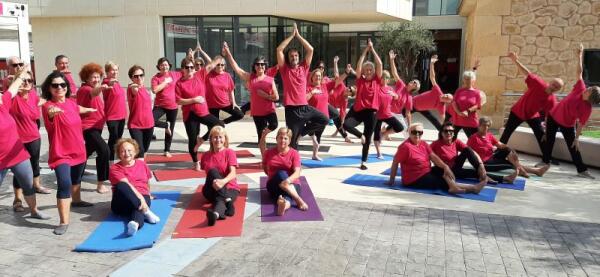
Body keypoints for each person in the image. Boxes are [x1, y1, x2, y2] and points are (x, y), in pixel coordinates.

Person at [41, 71, 97, 235]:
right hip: (61, 154)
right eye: (55, 85)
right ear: (49, 88)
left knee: (76, 179)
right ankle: (63, 222)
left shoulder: (72, 103)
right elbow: (50, 112)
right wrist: (53, 112)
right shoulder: (48, 106)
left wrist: (89, 109)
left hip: (79, 150)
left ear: (67, 87)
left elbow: (77, 108)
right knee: (64, 184)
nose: (59, 88)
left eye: (62, 85)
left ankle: (77, 200)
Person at [542, 44, 600, 179]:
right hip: (553, 116)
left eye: (589, 91)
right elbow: (579, 73)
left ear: (590, 98)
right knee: (549, 140)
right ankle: (545, 161)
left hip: (567, 125)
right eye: (589, 88)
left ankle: (582, 170)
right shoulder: (580, 88)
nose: (587, 89)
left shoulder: (587, 108)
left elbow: (580, 124)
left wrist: (577, 138)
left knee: (573, 146)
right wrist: (579, 56)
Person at [0, 67, 50, 221]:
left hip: (17, 154)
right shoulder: (9, 102)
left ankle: (34, 211)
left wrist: (22, 75)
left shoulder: (4, 104)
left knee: (28, 183)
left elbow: (13, 88)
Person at [387, 123, 484, 194]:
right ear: (409, 132)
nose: (417, 134)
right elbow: (395, 163)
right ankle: (473, 188)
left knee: (442, 170)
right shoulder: (405, 147)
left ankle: (453, 186)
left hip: (426, 172)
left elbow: (434, 157)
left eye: (419, 132)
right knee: (441, 182)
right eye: (414, 132)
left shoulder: (423, 144)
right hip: (414, 179)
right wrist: (391, 180)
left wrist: (446, 167)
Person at [499, 52, 561, 162]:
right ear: (550, 82)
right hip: (518, 111)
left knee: (541, 135)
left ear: (558, 90)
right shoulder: (538, 83)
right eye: (554, 84)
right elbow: (527, 73)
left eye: (558, 87)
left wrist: (547, 132)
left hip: (532, 115)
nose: (555, 87)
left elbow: (549, 117)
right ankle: (498, 154)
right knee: (507, 133)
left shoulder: (552, 100)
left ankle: (547, 158)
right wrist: (515, 60)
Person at [276, 23, 328, 149]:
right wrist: (291, 36)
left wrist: (298, 36)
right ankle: (294, 165)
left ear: (299, 57)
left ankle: (302, 133)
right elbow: (279, 50)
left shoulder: (304, 68)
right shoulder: (285, 69)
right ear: (288, 58)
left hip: (304, 107)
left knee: (324, 120)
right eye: (291, 56)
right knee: (292, 143)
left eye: (296, 56)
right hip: (291, 110)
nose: (294, 57)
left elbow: (310, 49)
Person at [222, 42, 279, 143]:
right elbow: (237, 69)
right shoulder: (251, 77)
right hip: (257, 111)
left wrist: (266, 96)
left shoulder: (270, 76)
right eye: (258, 64)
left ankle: (264, 133)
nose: (260, 66)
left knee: (274, 125)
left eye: (262, 64)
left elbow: (276, 97)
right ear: (254, 66)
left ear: (265, 66)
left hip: (268, 109)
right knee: (260, 138)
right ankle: (264, 156)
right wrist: (228, 53)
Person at [176, 54, 224, 171]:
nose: (190, 70)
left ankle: (201, 139)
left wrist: (223, 54)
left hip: (202, 112)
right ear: (182, 69)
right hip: (189, 114)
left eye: (192, 67)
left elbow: (213, 64)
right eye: (187, 67)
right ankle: (195, 161)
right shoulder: (179, 83)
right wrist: (194, 100)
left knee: (219, 125)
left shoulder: (200, 75)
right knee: (192, 139)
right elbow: (178, 100)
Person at [431, 122, 517, 184]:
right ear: (441, 133)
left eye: (451, 131)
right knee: (473, 173)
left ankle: (482, 173)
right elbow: (425, 154)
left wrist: (481, 166)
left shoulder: (456, 141)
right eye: (446, 131)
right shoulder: (436, 144)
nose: (449, 133)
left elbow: (471, 152)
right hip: (447, 170)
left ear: (454, 133)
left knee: (468, 150)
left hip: (456, 164)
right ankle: (505, 178)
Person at [343, 38, 382, 170]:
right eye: (366, 70)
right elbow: (359, 64)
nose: (368, 71)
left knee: (369, 137)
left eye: (371, 69)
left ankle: (363, 161)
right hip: (358, 110)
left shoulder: (377, 80)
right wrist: (365, 50)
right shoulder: (360, 80)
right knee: (346, 125)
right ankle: (361, 136)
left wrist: (373, 50)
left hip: (371, 113)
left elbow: (380, 64)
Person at [109, 138, 160, 236]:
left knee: (137, 210)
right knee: (121, 185)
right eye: (123, 151)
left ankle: (135, 225)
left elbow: (147, 182)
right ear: (119, 154)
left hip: (141, 198)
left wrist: (148, 194)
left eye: (129, 150)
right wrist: (141, 199)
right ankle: (146, 211)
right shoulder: (114, 168)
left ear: (135, 152)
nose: (126, 153)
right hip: (121, 203)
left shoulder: (142, 164)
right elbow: (126, 185)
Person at [469, 117, 549, 178]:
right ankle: (535, 171)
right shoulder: (473, 138)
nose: (486, 128)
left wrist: (512, 151)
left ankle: (523, 170)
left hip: (492, 157)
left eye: (487, 126)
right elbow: (467, 152)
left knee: (507, 149)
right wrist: (477, 165)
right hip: (484, 163)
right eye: (484, 125)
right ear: (479, 126)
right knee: (510, 163)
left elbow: (501, 145)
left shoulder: (489, 135)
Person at [77, 63, 110, 193]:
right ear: (86, 78)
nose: (96, 80)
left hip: (97, 126)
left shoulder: (87, 89)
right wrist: (101, 88)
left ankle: (74, 177)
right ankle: (101, 184)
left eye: (98, 77)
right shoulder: (86, 89)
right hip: (88, 128)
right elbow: (93, 93)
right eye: (93, 77)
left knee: (84, 153)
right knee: (104, 150)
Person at [260, 127, 308, 216]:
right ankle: (298, 200)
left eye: (285, 138)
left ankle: (283, 206)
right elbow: (265, 168)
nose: (283, 140)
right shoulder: (269, 152)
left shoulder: (294, 153)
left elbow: (297, 172)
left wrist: (287, 181)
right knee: (280, 173)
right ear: (276, 139)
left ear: (289, 140)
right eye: (280, 138)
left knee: (286, 198)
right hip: (274, 185)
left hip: (292, 185)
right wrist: (263, 137)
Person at [200, 126, 239, 226]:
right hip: (210, 190)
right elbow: (208, 174)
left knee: (219, 200)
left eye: (220, 137)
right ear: (211, 139)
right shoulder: (205, 156)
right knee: (213, 171)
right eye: (215, 137)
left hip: (230, 187)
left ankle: (215, 215)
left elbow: (233, 173)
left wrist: (223, 181)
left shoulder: (229, 152)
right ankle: (229, 201)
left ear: (225, 139)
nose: (218, 140)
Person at [151, 57, 183, 158]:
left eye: (166, 64)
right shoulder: (155, 78)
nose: (164, 66)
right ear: (159, 67)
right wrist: (165, 82)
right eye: (162, 65)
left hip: (173, 106)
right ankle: (165, 125)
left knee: (171, 130)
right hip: (160, 105)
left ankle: (167, 150)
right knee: (150, 121)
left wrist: (190, 56)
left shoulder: (175, 74)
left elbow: (186, 70)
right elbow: (155, 90)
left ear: (169, 66)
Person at [412, 55, 454, 131]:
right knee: (399, 118)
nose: (445, 96)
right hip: (412, 103)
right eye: (447, 95)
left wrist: (445, 126)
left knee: (434, 120)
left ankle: (442, 133)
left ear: (447, 102)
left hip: (422, 108)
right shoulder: (438, 91)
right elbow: (432, 77)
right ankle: (386, 131)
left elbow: (442, 117)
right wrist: (431, 63)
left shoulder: (442, 106)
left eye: (447, 98)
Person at [206, 55, 244, 125]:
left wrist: (234, 102)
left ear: (224, 66)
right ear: (214, 65)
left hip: (225, 103)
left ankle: (222, 122)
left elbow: (231, 90)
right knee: (213, 127)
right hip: (212, 105)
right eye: (218, 64)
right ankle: (207, 136)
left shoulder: (227, 75)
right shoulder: (208, 75)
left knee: (239, 114)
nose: (220, 66)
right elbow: (209, 63)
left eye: (222, 65)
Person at [127, 65, 155, 158]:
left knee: (144, 150)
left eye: (141, 75)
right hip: (135, 125)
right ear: (132, 78)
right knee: (140, 150)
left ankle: (140, 167)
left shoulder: (146, 90)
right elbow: (134, 90)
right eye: (136, 76)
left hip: (149, 125)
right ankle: (141, 172)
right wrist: (134, 87)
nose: (139, 78)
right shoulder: (132, 88)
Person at [102, 61, 127, 161]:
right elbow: (106, 86)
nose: (115, 72)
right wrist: (110, 83)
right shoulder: (106, 83)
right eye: (112, 70)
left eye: (116, 70)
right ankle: (109, 160)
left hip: (121, 116)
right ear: (107, 72)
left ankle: (115, 159)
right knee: (113, 139)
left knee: (118, 140)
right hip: (112, 117)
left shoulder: (117, 83)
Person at [389, 50, 418, 130]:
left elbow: (408, 113)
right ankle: (383, 132)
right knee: (377, 126)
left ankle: (385, 133)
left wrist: (410, 125)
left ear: (414, 88)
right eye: (413, 81)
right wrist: (392, 60)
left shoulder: (409, 97)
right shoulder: (401, 84)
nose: (412, 82)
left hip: (397, 114)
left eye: (414, 83)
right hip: (387, 110)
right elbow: (395, 73)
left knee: (404, 129)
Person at [326, 57, 352, 143]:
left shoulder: (345, 100)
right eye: (350, 87)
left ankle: (345, 136)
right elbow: (337, 75)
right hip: (322, 97)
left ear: (350, 95)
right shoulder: (341, 86)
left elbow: (343, 113)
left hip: (328, 106)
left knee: (337, 119)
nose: (349, 89)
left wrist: (342, 124)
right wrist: (335, 63)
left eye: (351, 91)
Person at [451, 67, 483, 139]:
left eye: (469, 79)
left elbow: (477, 105)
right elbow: (454, 102)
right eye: (465, 78)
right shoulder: (459, 91)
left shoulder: (477, 92)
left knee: (475, 141)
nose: (466, 80)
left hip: (470, 121)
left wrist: (467, 111)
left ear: (473, 80)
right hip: (457, 120)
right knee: (451, 140)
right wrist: (458, 112)